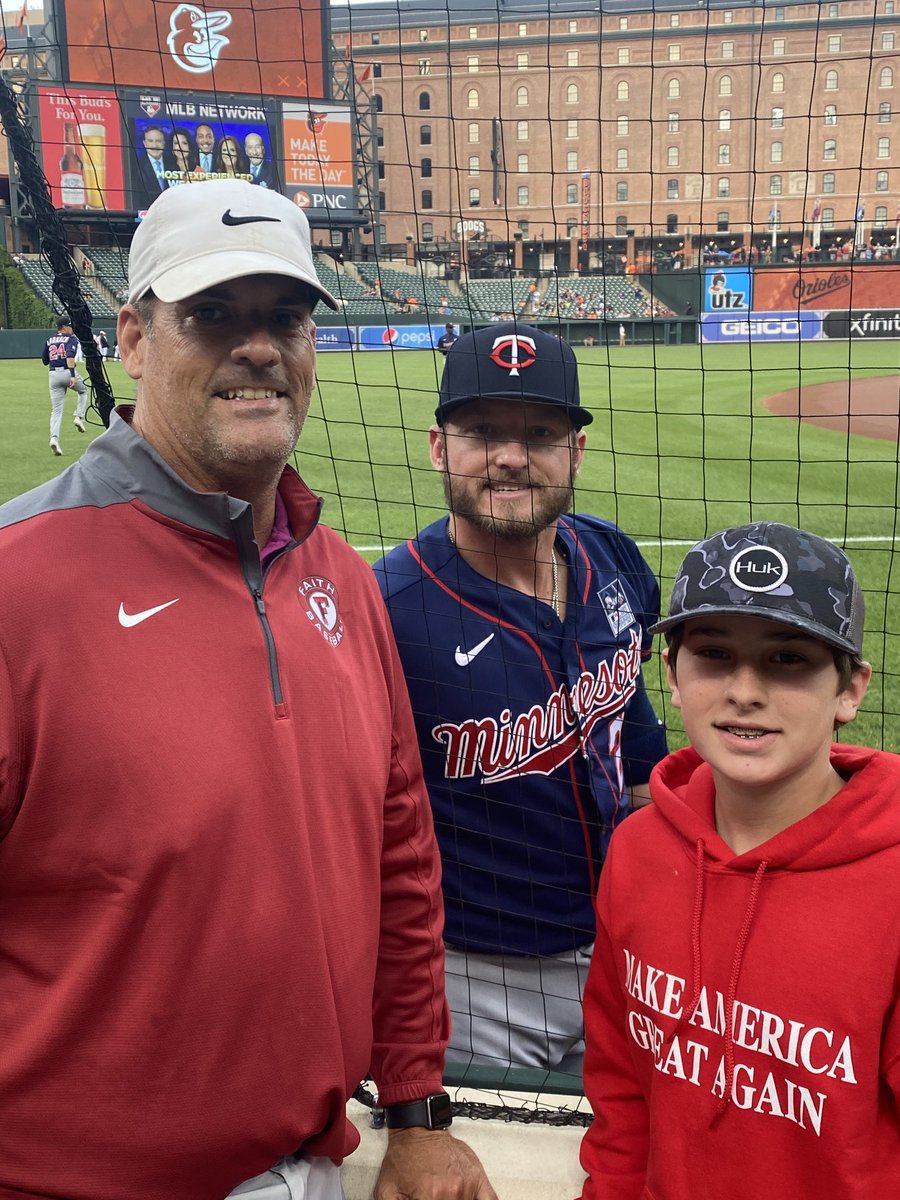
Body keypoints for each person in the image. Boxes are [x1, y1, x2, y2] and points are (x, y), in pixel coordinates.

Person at [0, 179, 497, 1200]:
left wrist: (416, 1110)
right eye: (213, 314)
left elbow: (402, 859)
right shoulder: (19, 581)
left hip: (309, 1166)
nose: (259, 346)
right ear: (134, 339)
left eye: (286, 316)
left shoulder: (344, 580)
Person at [373, 323, 668, 1074]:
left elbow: (634, 730)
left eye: (539, 434)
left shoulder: (610, 553)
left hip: (629, 951)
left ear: (577, 452)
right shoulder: (389, 607)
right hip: (477, 983)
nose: (511, 456)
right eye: (483, 432)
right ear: (439, 448)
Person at [578, 522, 900, 1200]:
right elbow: (621, 1085)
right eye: (715, 654)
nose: (744, 690)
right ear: (671, 675)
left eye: (787, 658)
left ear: (849, 689)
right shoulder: (639, 851)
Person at [41, 313, 88, 455]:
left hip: (53, 374)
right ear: (64, 327)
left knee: (56, 411)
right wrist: (72, 375)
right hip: (67, 372)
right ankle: (79, 417)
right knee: (83, 391)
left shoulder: (49, 339)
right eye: (69, 326)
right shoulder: (71, 339)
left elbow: (45, 360)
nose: (71, 328)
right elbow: (69, 356)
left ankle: (54, 439)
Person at [134, 123, 171, 209]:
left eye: (158, 141)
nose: (154, 145)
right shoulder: (136, 166)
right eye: (150, 141)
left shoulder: (173, 164)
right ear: (144, 143)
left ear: (164, 143)